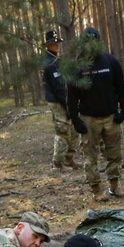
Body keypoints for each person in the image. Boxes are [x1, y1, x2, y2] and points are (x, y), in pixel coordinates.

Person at [65, 27, 124, 201]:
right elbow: (71, 97)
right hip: (88, 119)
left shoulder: (111, 62)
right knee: (90, 156)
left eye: (94, 40)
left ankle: (114, 187)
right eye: (87, 41)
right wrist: (75, 119)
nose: (90, 44)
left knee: (114, 154)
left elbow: (121, 87)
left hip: (111, 117)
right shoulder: (77, 66)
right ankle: (96, 191)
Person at [42, 30, 78, 170]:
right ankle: (57, 163)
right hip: (58, 101)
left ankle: (69, 158)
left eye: (57, 43)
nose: (56, 45)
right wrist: (67, 104)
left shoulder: (59, 60)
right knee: (62, 130)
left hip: (66, 99)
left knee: (74, 129)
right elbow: (58, 88)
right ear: (48, 45)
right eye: (53, 43)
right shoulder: (50, 64)